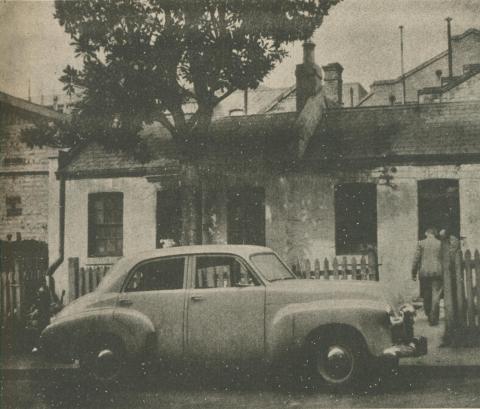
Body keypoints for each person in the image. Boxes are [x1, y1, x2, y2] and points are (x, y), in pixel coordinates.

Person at [412, 227, 443, 326]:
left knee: (426, 295)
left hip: (424, 273)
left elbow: (416, 259)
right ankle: (434, 319)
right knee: (436, 295)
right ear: (434, 234)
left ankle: (429, 314)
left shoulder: (421, 243)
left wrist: (413, 272)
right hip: (437, 273)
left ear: (427, 233)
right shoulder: (440, 244)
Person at [439, 228, 460, 343]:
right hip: (448, 272)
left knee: (454, 298)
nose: (441, 239)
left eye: (442, 237)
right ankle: (451, 324)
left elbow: (451, 255)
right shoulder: (445, 242)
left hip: (453, 272)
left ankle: (454, 324)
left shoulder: (453, 241)